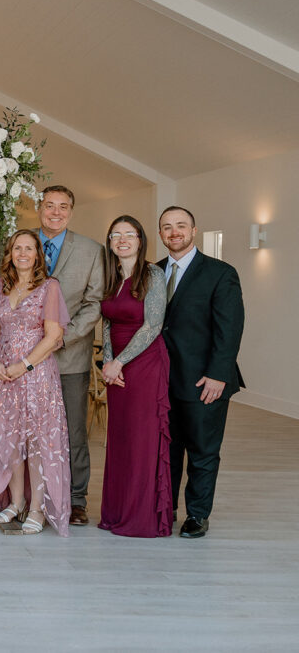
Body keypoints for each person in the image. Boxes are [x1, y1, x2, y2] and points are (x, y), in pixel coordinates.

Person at [158, 206, 244, 539]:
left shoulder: (220, 273)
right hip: (163, 379)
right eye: (167, 227)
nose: (174, 232)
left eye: (181, 226)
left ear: (194, 231)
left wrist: (218, 374)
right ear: (162, 234)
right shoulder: (154, 271)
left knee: (203, 450)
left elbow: (230, 328)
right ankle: (168, 507)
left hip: (204, 380)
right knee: (167, 449)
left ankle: (197, 514)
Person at [0, 230, 71, 536]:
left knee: (35, 442)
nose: (22, 253)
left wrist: (25, 365)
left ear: (37, 255)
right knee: (9, 442)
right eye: (17, 248)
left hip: (36, 375)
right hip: (4, 375)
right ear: (10, 254)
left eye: (28, 248)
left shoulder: (49, 287)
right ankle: (16, 501)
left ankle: (38, 508)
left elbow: (54, 335)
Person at [97, 216, 172, 538]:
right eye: (116, 235)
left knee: (143, 440)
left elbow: (153, 325)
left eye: (130, 235)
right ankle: (117, 512)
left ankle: (142, 516)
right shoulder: (110, 277)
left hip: (146, 364)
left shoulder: (153, 274)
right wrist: (109, 361)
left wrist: (120, 362)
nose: (122, 240)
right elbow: (108, 323)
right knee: (121, 439)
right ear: (110, 242)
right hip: (118, 368)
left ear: (141, 240)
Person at [36, 185, 103, 526]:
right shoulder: (21, 244)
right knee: (28, 430)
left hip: (70, 357)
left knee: (73, 431)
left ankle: (76, 500)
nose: (56, 212)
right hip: (26, 360)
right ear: (39, 208)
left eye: (63, 206)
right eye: (50, 205)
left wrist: (63, 337)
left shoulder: (92, 250)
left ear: (71, 211)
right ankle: (32, 496)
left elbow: (95, 303)